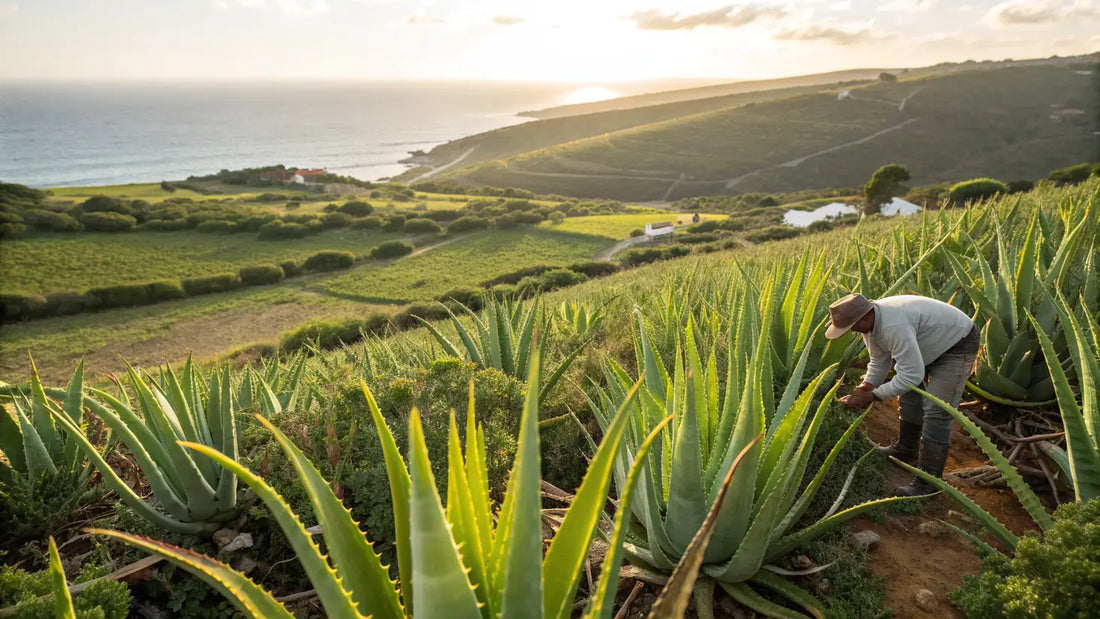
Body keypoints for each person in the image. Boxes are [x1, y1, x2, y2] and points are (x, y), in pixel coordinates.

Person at [826, 293, 979, 496]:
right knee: (909, 395)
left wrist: (873, 396)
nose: (851, 331)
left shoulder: (892, 325)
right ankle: (907, 448)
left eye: (851, 327)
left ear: (863, 317)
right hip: (928, 344)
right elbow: (880, 361)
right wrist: (865, 387)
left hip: (956, 344)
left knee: (936, 410)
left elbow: (911, 375)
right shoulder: (872, 323)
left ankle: (928, 483)